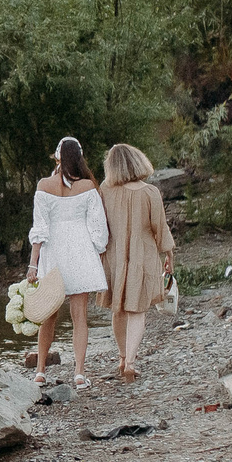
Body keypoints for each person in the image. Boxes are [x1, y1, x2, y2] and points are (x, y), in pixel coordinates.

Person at [25, 137, 108, 390]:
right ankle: (79, 374)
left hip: (53, 254)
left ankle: (40, 372)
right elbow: (98, 229)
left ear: (58, 157)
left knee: (48, 314)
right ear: (80, 158)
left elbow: (39, 229)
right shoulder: (88, 187)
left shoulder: (43, 185)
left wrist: (33, 264)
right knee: (79, 316)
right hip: (80, 252)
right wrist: (97, 251)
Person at [98, 142, 176, 382]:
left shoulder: (105, 190)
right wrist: (169, 256)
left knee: (118, 309)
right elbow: (160, 228)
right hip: (144, 255)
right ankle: (131, 362)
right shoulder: (150, 192)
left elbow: (100, 225)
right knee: (138, 310)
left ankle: (122, 358)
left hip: (114, 256)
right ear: (138, 161)